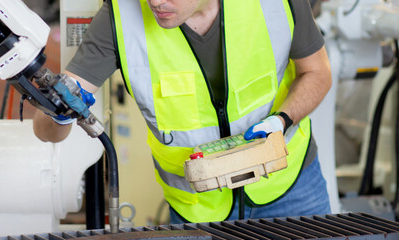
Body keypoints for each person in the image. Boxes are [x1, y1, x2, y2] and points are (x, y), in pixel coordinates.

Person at [34, 0, 332, 223]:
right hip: (198, 211)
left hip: (291, 187)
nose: (155, 2)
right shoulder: (120, 17)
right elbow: (44, 129)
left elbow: (318, 73)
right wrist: (58, 112)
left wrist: (282, 120)